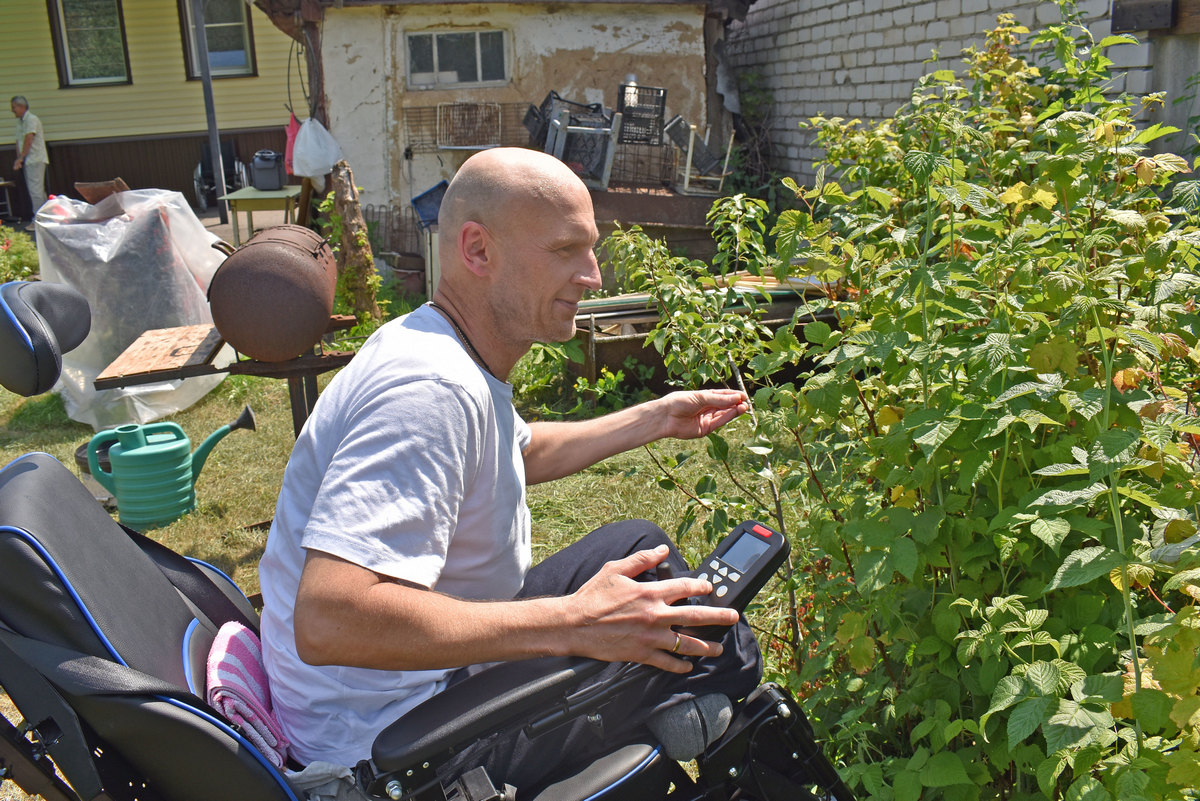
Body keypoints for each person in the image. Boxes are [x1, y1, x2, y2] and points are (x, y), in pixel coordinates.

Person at [258, 147, 761, 790]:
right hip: (393, 751)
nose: (593, 276)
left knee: (644, 551)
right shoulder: (429, 391)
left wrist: (655, 418)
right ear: (477, 251)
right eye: (565, 251)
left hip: (412, 691)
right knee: (713, 652)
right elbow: (332, 618)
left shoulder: (438, 343)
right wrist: (579, 623)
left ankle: (677, 714)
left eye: (592, 249)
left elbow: (509, 454)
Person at [10, 96, 48, 229]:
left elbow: (29, 139)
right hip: (28, 160)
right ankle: (45, 218)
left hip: (35, 159)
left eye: (14, 107)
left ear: (21, 106)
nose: (12, 110)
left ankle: (38, 221)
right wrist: (19, 159)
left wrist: (20, 158)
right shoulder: (20, 122)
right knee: (38, 191)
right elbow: (18, 142)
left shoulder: (31, 119)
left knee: (35, 191)